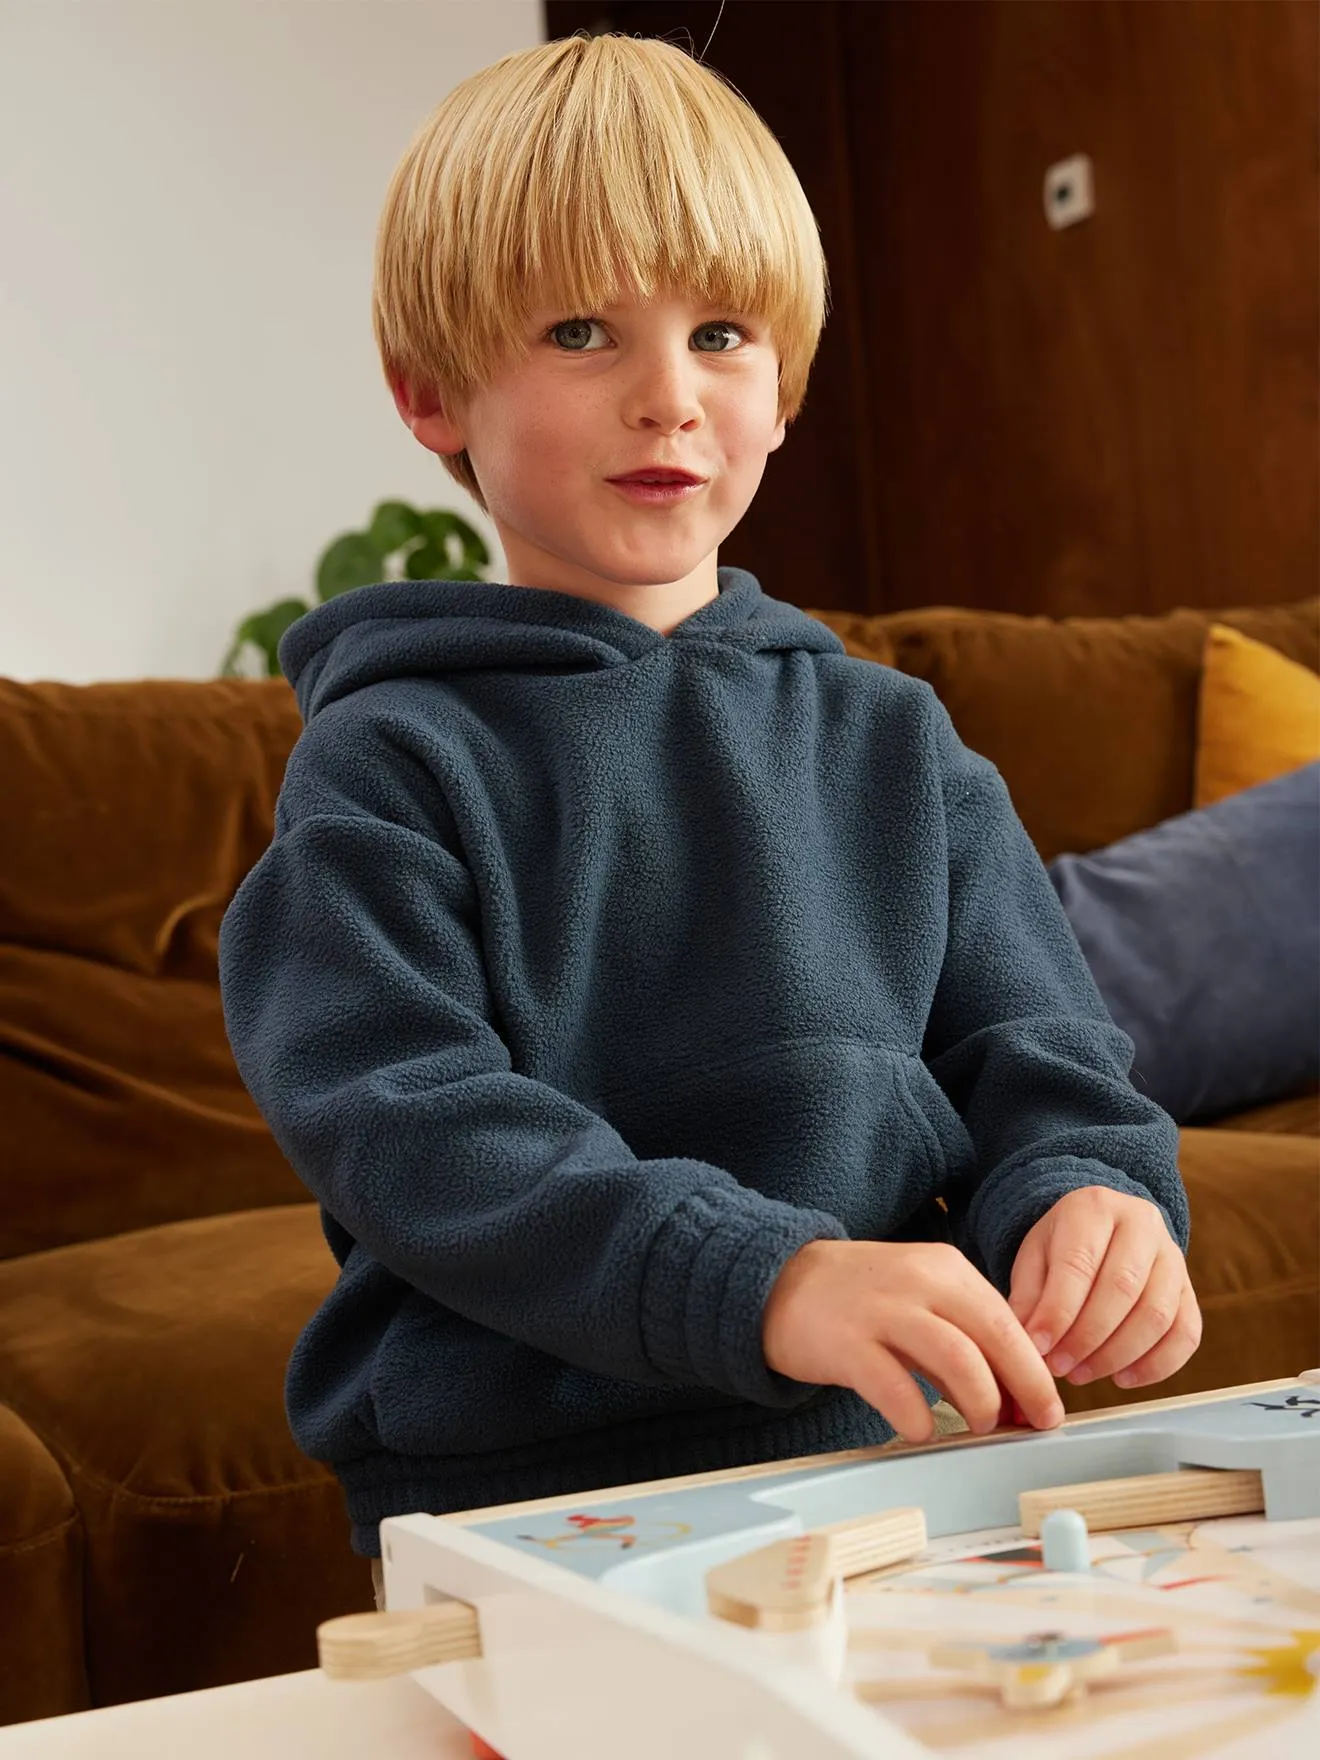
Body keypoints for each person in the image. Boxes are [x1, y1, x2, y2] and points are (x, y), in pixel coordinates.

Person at [218, 34, 1199, 1577]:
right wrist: (764, 1279)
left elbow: (1041, 1055)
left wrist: (1093, 1193)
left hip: (897, 1457)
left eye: (724, 332)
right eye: (581, 331)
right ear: (429, 394)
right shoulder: (387, 762)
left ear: (786, 388)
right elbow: (408, 1126)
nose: (667, 398)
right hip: (526, 1494)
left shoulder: (897, 738)